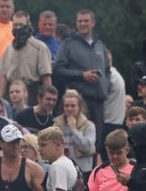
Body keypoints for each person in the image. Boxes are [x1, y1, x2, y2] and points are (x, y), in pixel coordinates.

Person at [53, 9, 111, 140]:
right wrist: (82, 75)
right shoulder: (68, 44)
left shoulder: (100, 45)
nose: (83, 23)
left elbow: (108, 70)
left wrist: (105, 87)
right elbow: (58, 69)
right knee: (77, 142)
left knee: (97, 143)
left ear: (93, 23)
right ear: (76, 23)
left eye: (86, 20)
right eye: (80, 21)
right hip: (78, 102)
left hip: (98, 101)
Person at [0, 10, 53, 104]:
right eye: (15, 25)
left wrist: (48, 100)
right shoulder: (9, 48)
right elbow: (4, 77)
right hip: (11, 94)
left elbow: (46, 77)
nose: (18, 28)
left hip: (32, 94)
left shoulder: (40, 48)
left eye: (21, 25)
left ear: (28, 25)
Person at [54, 89, 96, 174]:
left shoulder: (88, 125)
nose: (69, 109)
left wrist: (74, 130)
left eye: (73, 106)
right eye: (66, 106)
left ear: (79, 107)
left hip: (83, 170)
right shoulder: (57, 125)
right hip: (62, 169)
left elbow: (86, 147)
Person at [102, 49, 127, 160]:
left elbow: (97, 96)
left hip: (107, 122)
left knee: (109, 160)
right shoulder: (116, 74)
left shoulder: (108, 76)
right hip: (116, 121)